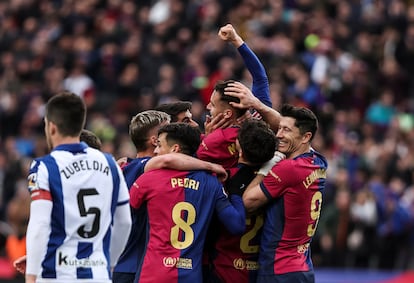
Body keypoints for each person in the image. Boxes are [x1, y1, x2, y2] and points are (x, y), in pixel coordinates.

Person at [24, 91, 132, 283]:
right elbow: (124, 222)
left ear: (52, 127)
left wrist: (31, 275)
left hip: (56, 275)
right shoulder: (110, 163)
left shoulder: (45, 167)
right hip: (99, 274)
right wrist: (108, 262)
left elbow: (39, 225)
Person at [113, 110, 227, 283]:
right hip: (139, 265)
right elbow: (168, 160)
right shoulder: (145, 167)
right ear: (154, 141)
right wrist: (211, 166)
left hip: (129, 263)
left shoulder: (125, 166)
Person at [129, 123, 246, 283]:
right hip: (191, 275)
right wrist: (236, 192)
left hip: (152, 274)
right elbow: (236, 226)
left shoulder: (148, 179)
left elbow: (128, 216)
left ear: (175, 149)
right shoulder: (212, 183)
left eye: (159, 145)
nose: (155, 151)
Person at [242, 104, 328, 283]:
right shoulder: (319, 162)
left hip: (278, 269)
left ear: (306, 137)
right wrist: (258, 105)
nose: (278, 134)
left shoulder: (288, 169)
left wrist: (266, 169)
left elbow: (247, 202)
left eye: (286, 130)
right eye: (279, 128)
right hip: (302, 267)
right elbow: (285, 129)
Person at [13, 129, 103, 276]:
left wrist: (36, 263)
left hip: (63, 268)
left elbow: (41, 225)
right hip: (99, 267)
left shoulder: (52, 177)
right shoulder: (111, 179)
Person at [206, 119, 279, 283]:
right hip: (258, 271)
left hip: (224, 270)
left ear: (238, 146)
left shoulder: (223, 177)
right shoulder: (273, 183)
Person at [197, 24, 277, 169]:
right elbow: (260, 77)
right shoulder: (261, 118)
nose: (208, 107)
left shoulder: (216, 140)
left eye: (213, 104)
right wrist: (236, 40)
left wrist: (207, 138)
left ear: (228, 113)